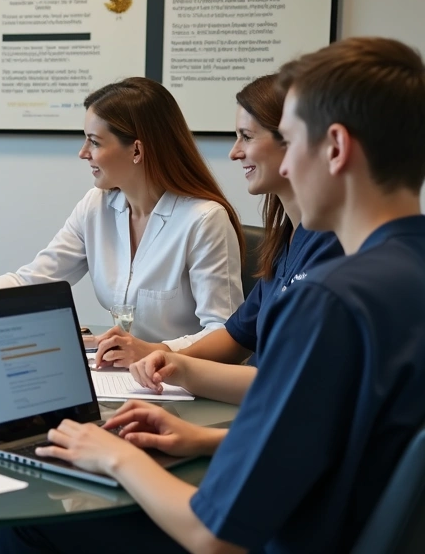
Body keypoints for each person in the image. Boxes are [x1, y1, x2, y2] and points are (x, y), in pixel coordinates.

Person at [0, 36, 425, 553]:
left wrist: (112, 455)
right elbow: (342, 438)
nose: (284, 167)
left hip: (276, 537)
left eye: (291, 141)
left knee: (31, 516)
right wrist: (201, 436)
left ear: (334, 147)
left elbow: (213, 536)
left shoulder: (330, 302)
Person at [0, 77, 244, 365]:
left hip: (183, 386)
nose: (83, 153)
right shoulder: (97, 205)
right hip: (121, 379)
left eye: (94, 142)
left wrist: (156, 351)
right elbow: (33, 280)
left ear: (137, 151)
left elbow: (225, 334)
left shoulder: (204, 220)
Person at [127, 75, 343, 405]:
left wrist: (181, 368)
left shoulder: (336, 246)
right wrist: (162, 354)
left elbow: (295, 382)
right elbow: (236, 336)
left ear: (294, 140)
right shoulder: (289, 238)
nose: (234, 152)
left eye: (246, 136)